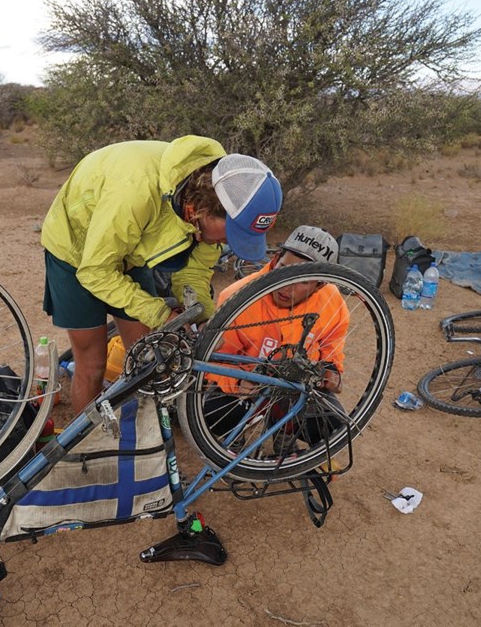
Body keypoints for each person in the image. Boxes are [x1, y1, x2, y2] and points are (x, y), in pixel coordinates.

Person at [41, 135, 283, 413]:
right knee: (92, 361)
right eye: (230, 233)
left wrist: (202, 318)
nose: (225, 243)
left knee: (147, 356)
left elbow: (194, 272)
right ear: (204, 211)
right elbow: (96, 270)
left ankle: (138, 434)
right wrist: (158, 312)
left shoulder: (210, 198)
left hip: (131, 247)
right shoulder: (135, 193)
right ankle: (89, 449)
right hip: (75, 250)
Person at [202, 225, 350, 453]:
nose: (286, 285)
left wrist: (332, 369)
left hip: (297, 385)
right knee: (214, 414)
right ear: (276, 257)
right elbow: (211, 359)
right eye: (283, 268)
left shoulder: (331, 300)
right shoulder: (236, 298)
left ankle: (286, 429)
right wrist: (236, 382)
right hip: (248, 383)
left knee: (333, 427)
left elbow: (333, 342)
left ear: (320, 284)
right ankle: (236, 434)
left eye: (302, 280)